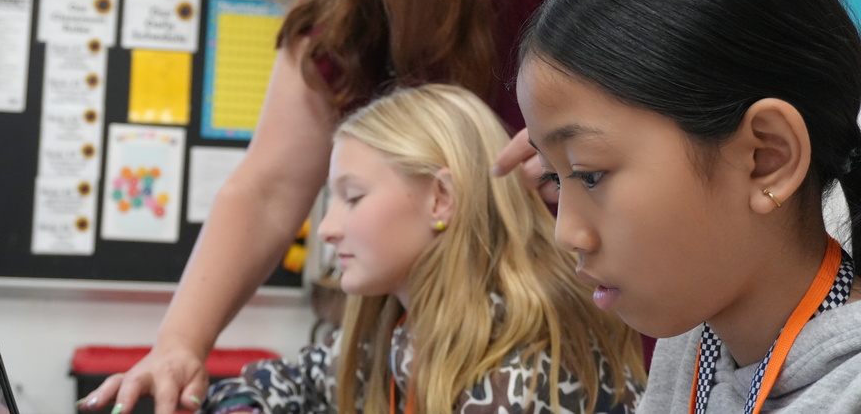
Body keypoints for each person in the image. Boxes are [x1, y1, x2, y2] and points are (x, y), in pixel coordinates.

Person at [80, 0, 688, 412]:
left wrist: (589, 137)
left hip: (619, 313)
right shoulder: (350, 4)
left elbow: (719, 44)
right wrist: (179, 344)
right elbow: (267, 186)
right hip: (454, 339)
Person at [514, 0, 861, 413]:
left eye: (590, 174)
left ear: (767, 158)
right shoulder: (696, 341)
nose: (567, 234)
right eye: (553, 175)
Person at [197, 84, 646, 414]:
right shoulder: (399, 334)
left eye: (353, 197)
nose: (328, 230)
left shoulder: (523, 375)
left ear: (440, 199)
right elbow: (285, 382)